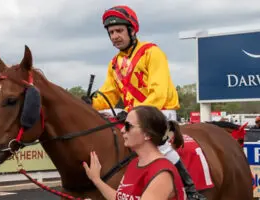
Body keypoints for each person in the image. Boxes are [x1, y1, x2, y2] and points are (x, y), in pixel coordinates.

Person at [81, 5, 205, 199]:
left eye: (119, 31)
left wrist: (135, 114)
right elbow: (110, 93)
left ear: (132, 30)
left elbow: (160, 92)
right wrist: (91, 103)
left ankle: (190, 190)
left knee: (161, 146)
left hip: (160, 112)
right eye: (111, 32)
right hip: (133, 116)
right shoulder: (114, 63)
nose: (115, 36)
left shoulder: (152, 53)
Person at [83, 105, 186, 199]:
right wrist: (96, 180)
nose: (122, 130)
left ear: (147, 134)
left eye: (128, 126)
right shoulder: (134, 163)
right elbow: (119, 198)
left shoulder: (162, 173)